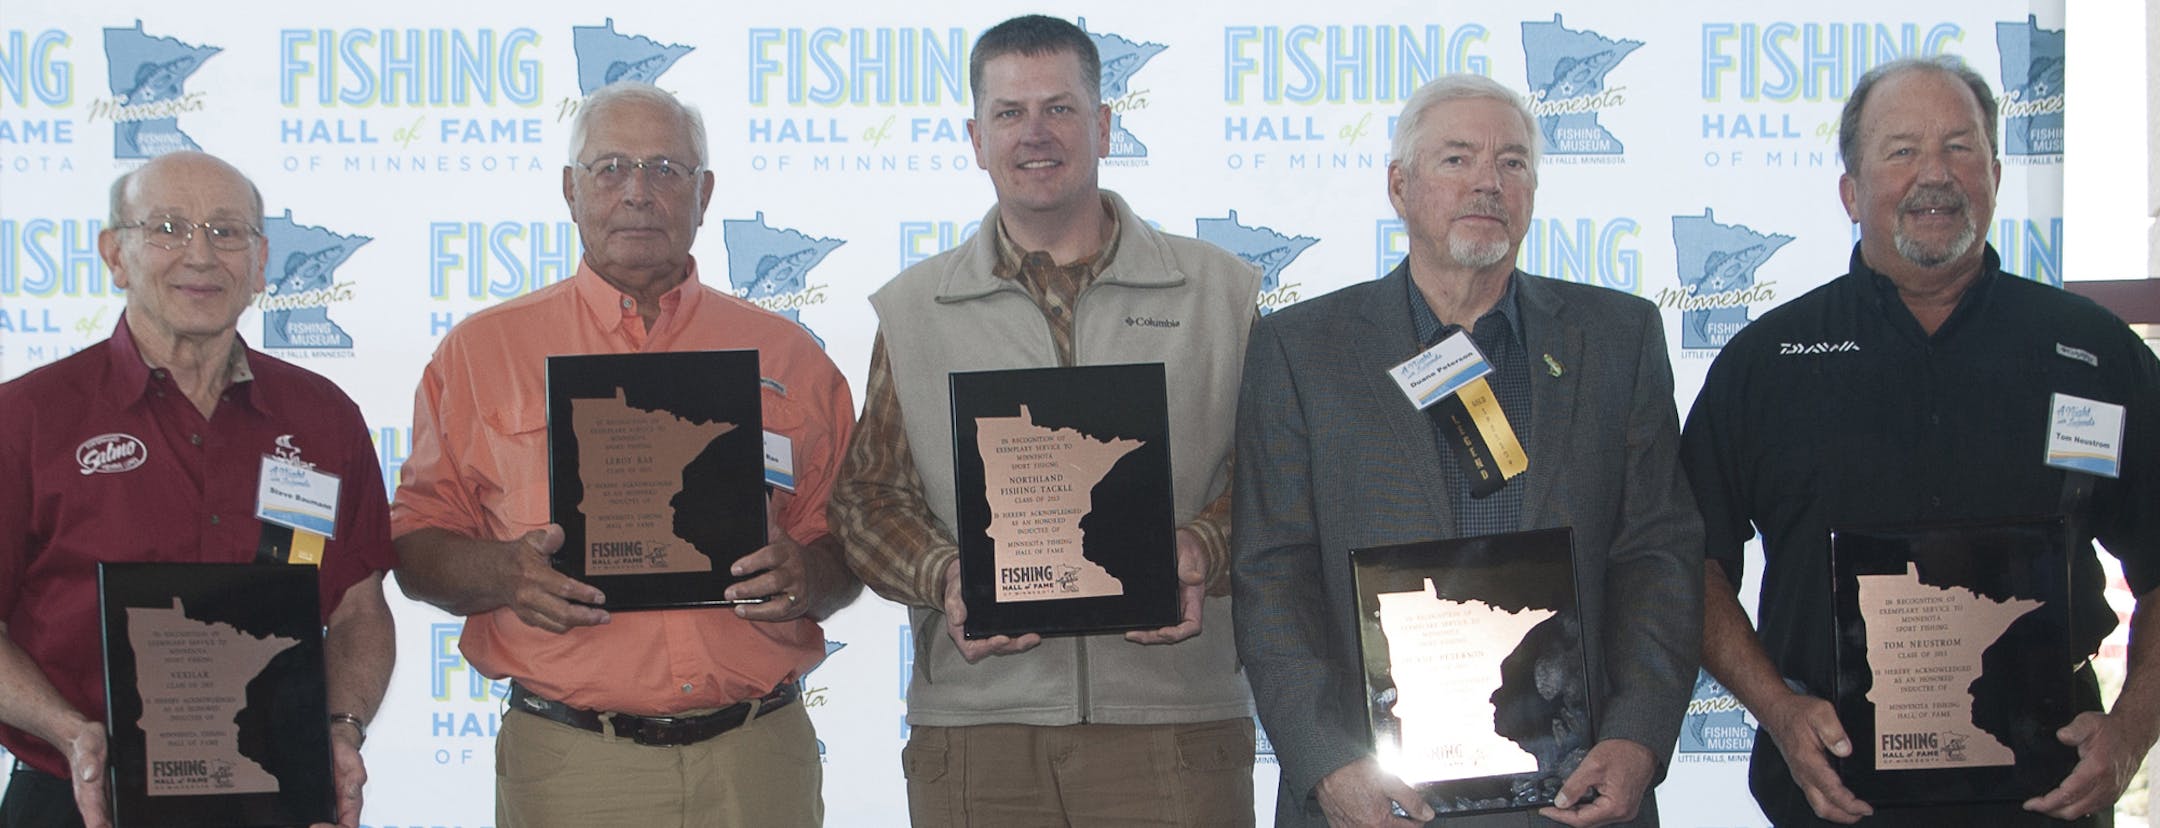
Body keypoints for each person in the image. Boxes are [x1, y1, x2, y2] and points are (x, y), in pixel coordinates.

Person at [1682, 55, 2160, 827]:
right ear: (1850, 191)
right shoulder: (1766, 366)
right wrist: (1776, 708)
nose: (1934, 174)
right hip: (1834, 798)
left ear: (1996, 175)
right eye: (1902, 150)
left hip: (2047, 797)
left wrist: (2134, 730)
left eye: (1959, 147)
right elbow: (1687, 562)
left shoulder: (2096, 356)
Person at [1232, 74, 1703, 828]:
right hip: (1374, 799)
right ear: (1399, 186)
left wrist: (1639, 736)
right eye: (1457, 159)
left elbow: (1657, 553)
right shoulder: (1301, 348)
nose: (1488, 181)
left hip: (1573, 794)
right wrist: (1324, 762)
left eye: (1512, 162)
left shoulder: (1619, 337)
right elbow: (1271, 571)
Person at [826, 14, 1261, 826]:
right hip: (980, 729)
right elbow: (867, 499)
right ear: (975, 138)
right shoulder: (915, 310)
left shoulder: (1219, 294)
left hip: (1173, 716)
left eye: (1060, 108)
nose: (1035, 133)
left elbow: (1277, 481)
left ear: (1104, 126)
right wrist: (946, 577)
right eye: (1009, 113)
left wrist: (1202, 548)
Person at [390, 81, 858, 828]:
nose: (638, 192)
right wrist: (504, 572)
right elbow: (415, 546)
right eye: (610, 168)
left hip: (758, 760)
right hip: (573, 766)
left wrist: (811, 575)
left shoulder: (790, 356)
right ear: (569, 190)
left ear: (704, 194)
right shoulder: (479, 354)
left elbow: (847, 545)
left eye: (666, 169)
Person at [0, 151, 396, 828]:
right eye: (168, 228)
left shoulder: (323, 419)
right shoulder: (27, 419)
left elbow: (359, 608)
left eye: (226, 231)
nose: (201, 254)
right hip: (79, 797)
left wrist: (341, 728)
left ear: (261, 263)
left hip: (274, 793)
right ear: (115, 255)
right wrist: (71, 732)